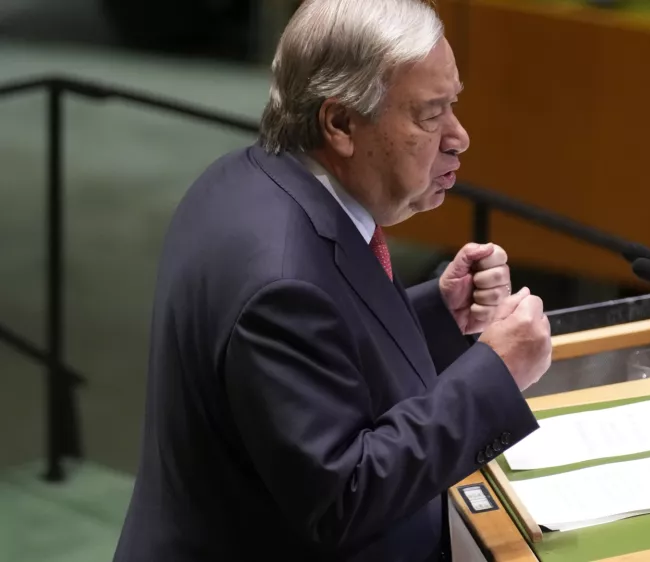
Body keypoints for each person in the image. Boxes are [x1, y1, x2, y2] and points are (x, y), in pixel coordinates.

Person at [112, 1, 552, 561]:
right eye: (429, 114)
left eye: (453, 105)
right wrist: (499, 374)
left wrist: (441, 314)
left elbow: (321, 355)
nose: (458, 136)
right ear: (340, 123)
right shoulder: (282, 281)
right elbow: (343, 498)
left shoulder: (250, 179)